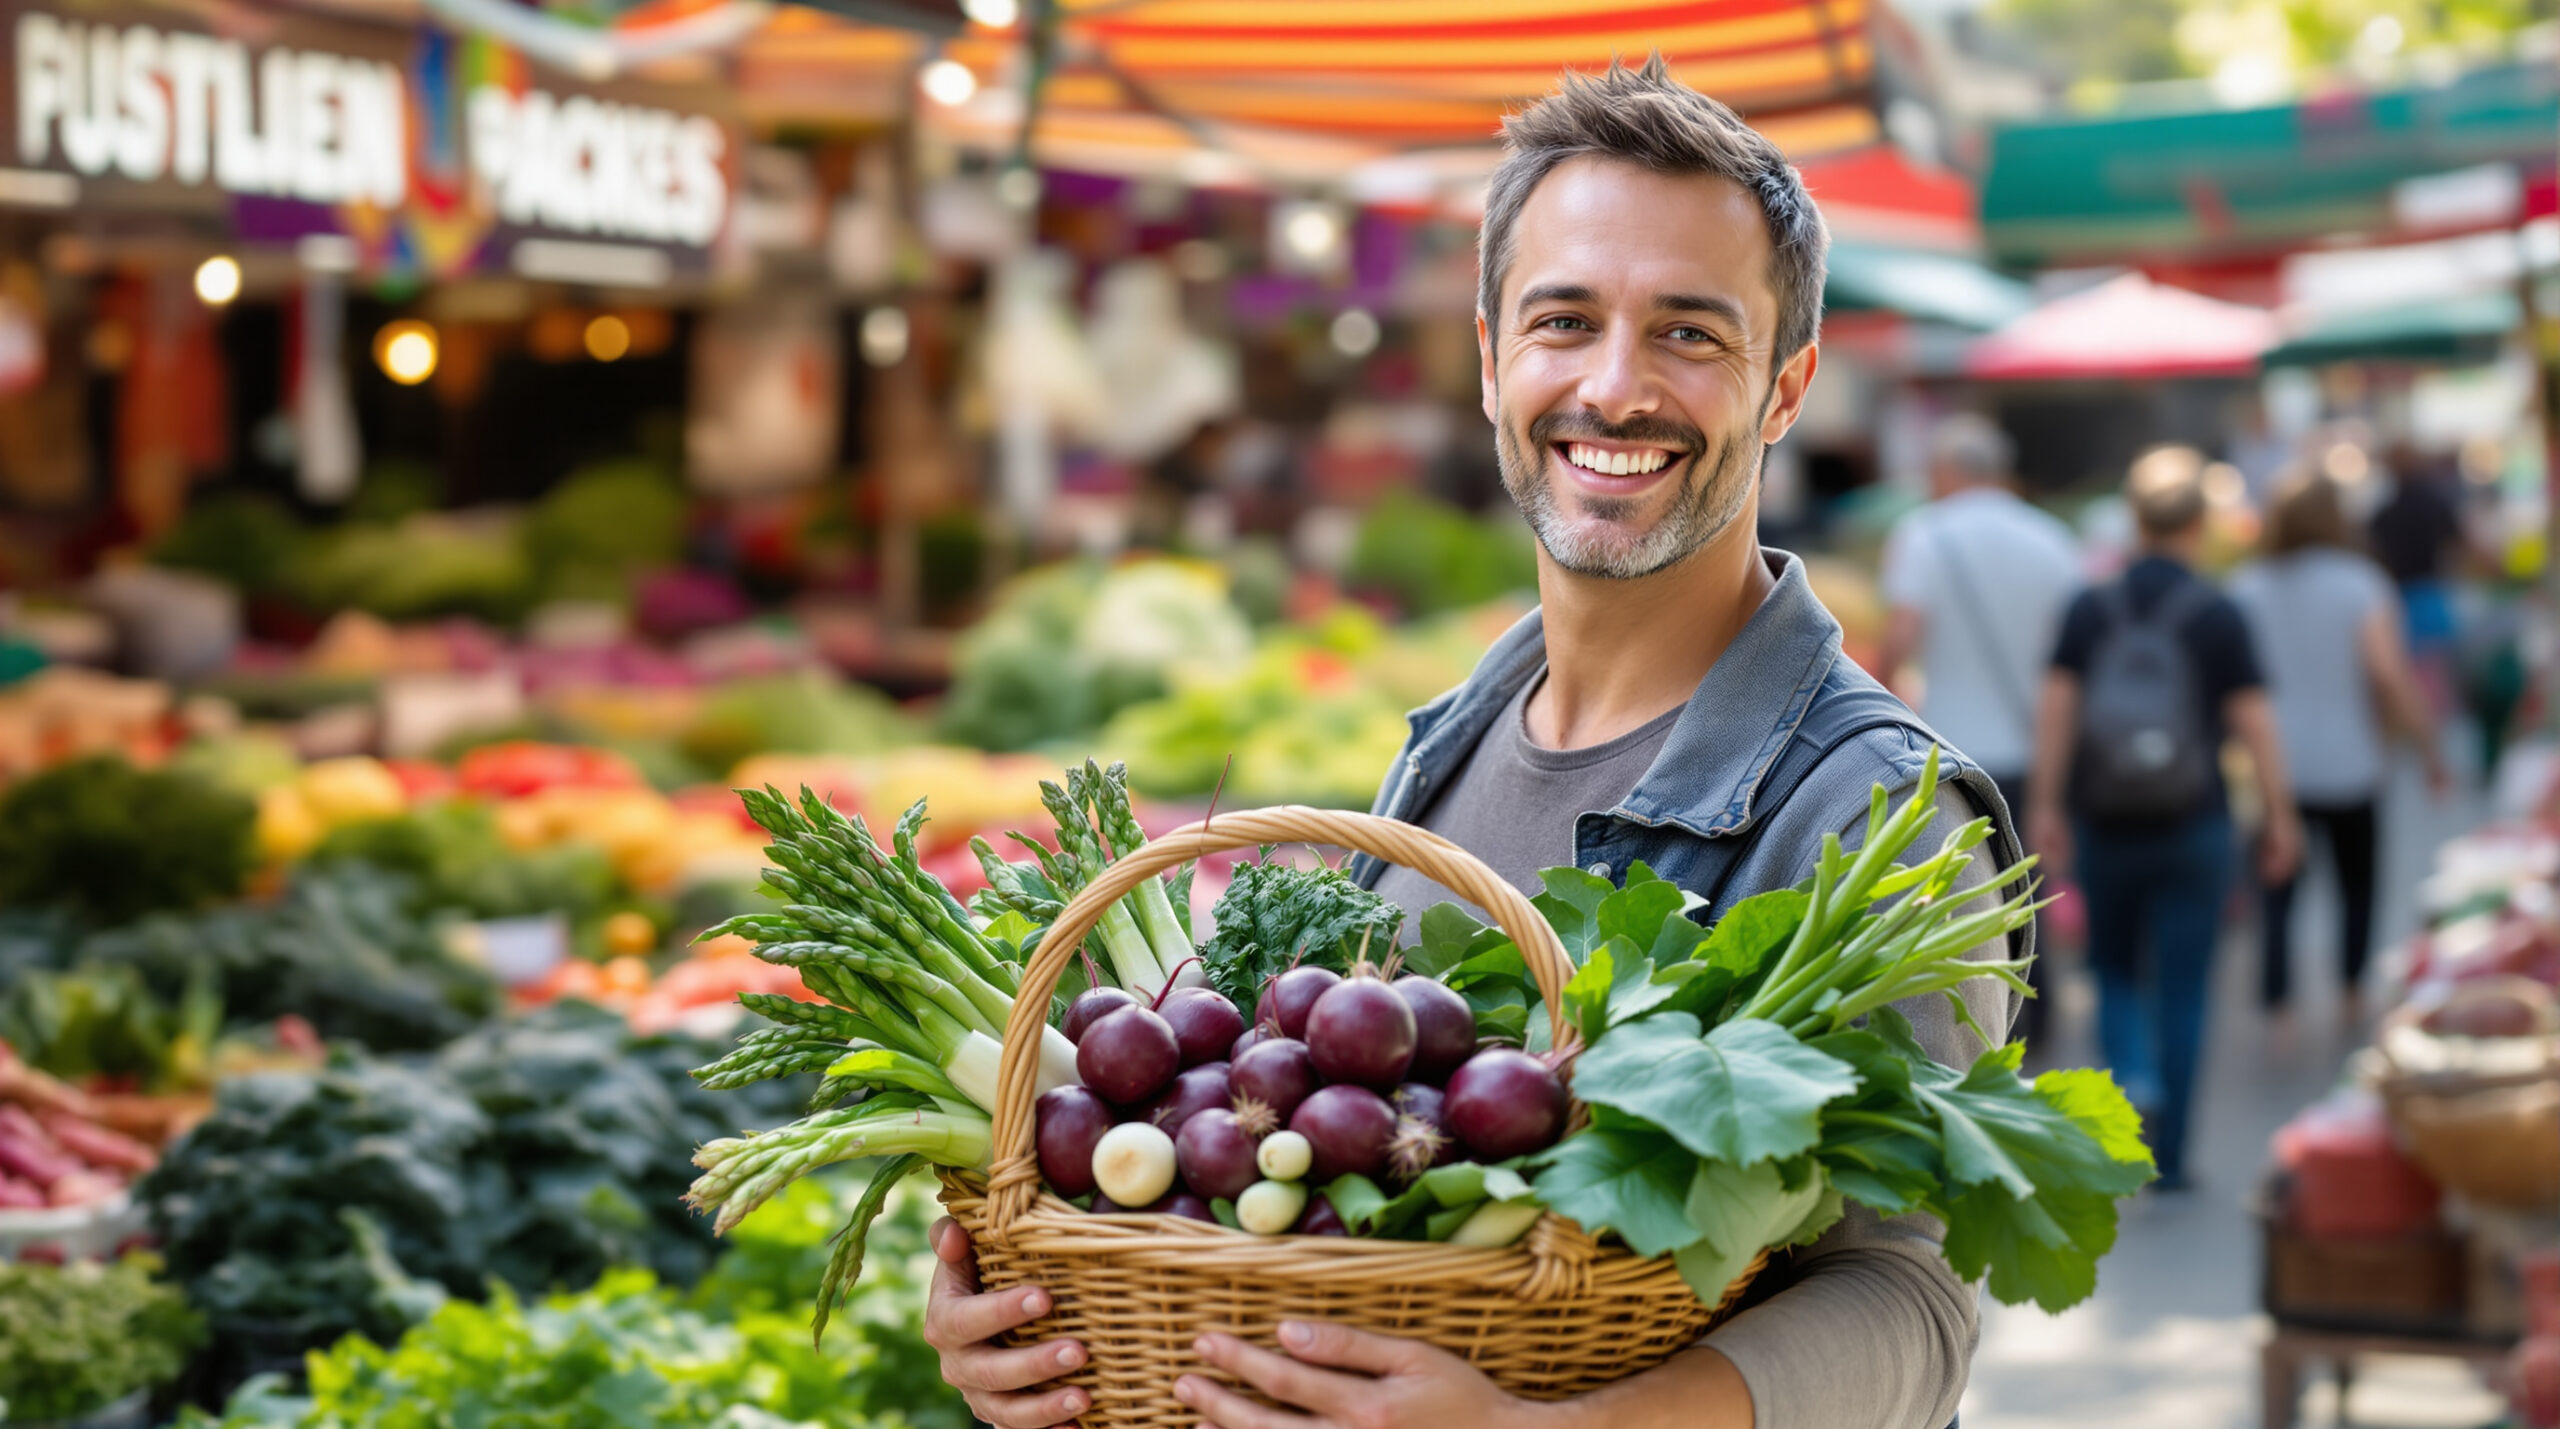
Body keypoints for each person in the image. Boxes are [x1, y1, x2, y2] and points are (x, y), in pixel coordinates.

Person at [922, 58, 2026, 1429]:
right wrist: (1038, 1307)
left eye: (1690, 334)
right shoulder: (1448, 748)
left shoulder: (1878, 818)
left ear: (1787, 387)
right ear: (1495, 358)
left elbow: (1912, 1305)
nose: (1614, 389)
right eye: (1566, 320)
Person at [2026, 446, 2301, 1193]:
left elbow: (2057, 714)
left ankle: (2133, 1079)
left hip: (2107, 820)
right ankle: (2172, 1157)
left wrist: (2046, 804)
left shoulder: (2091, 606)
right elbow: (2256, 723)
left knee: (2113, 969)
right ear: (2200, 524)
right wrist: (2281, 814)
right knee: (2185, 986)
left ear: (2136, 520)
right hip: (2195, 820)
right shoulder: (2217, 612)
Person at [1875, 412, 2083, 1044]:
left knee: (1963, 898)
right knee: (2030, 891)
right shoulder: (2053, 539)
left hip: (1949, 752)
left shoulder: (1923, 535)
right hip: (2033, 748)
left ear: (1947, 471)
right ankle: (2037, 1024)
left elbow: (1903, 640)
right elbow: (2067, 660)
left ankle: (1977, 1028)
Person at [2230, 469, 2448, 1027]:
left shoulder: (2248, 586)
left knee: (2279, 890)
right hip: (2351, 761)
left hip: (2274, 765)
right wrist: (2429, 748)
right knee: (2358, 884)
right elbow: (2388, 674)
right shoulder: (2359, 582)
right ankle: (2351, 991)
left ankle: (2278, 1007)